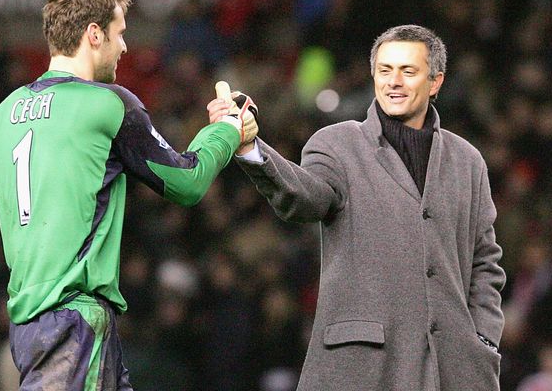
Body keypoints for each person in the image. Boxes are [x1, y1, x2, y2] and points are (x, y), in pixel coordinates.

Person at [0, 0, 257, 391]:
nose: (125, 45)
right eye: (119, 32)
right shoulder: (107, 105)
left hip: (36, 329)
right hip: (74, 324)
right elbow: (188, 181)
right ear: (95, 34)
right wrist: (227, 129)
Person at [209, 24, 506, 390]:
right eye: (385, 70)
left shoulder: (467, 161)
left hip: (454, 371)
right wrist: (251, 148)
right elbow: (306, 197)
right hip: (362, 368)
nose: (393, 81)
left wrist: (484, 338)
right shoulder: (336, 144)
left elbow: (485, 262)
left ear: (435, 82)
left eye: (408, 71)